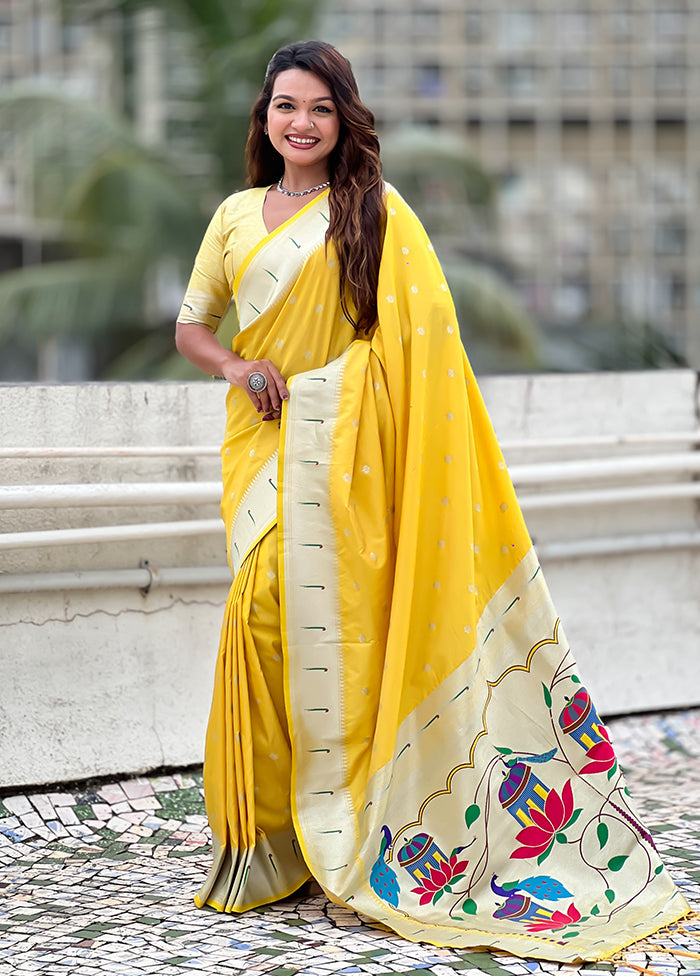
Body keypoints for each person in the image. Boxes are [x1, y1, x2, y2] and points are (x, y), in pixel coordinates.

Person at [176, 40, 689, 963]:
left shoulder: (375, 213)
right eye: (286, 107)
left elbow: (422, 349)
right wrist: (238, 364)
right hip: (262, 452)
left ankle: (364, 845)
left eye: (321, 110)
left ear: (344, 121)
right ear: (262, 118)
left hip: (353, 465)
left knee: (355, 640)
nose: (301, 123)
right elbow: (191, 325)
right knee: (257, 622)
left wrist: (332, 392)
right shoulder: (233, 216)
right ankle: (268, 847)